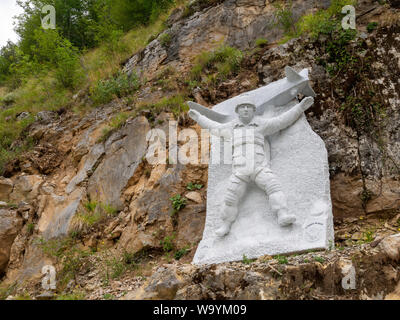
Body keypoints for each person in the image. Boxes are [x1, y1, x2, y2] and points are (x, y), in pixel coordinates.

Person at [188, 93, 315, 237]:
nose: (246, 110)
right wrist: (198, 118)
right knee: (230, 198)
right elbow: (213, 127)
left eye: (249, 107)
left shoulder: (261, 124)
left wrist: (300, 108)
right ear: (237, 111)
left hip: (259, 168)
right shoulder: (231, 127)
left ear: (254, 110)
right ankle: (226, 224)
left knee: (274, 187)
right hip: (240, 171)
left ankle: (283, 214)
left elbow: (281, 121)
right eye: (242, 107)